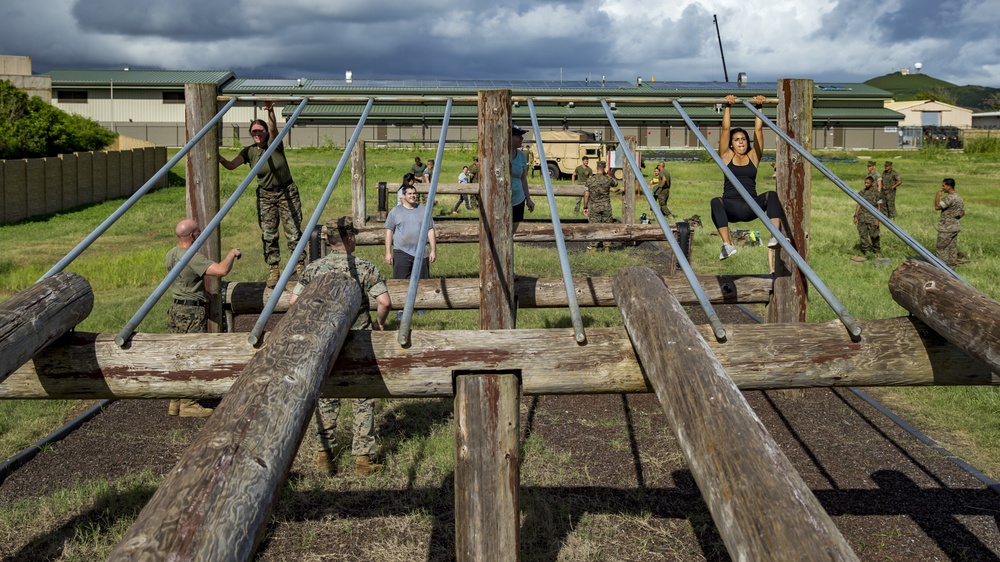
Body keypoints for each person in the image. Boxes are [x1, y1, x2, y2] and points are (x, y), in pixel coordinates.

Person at [289, 216, 390, 476]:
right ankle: (363, 461)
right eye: (353, 235)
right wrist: (380, 323)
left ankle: (324, 456)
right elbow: (385, 302)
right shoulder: (365, 267)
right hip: (358, 340)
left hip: (325, 341)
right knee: (363, 398)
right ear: (347, 239)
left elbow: (293, 302)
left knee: (326, 396)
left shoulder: (313, 269)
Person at [219, 102, 304, 289]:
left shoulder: (275, 143)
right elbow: (233, 165)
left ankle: (300, 267)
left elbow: (274, 128)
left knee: (293, 232)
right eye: (253, 132)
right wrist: (221, 159)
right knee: (268, 234)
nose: (256, 134)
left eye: (259, 131)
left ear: (265, 132)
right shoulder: (249, 152)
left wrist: (271, 112)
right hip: (266, 196)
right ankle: (274, 269)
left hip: (286, 192)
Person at [165, 219, 241, 417]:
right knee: (191, 355)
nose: (200, 234)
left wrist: (198, 292)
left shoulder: (171, 254)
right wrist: (231, 254)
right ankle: (189, 403)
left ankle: (176, 400)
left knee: (177, 355)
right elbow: (221, 270)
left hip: (175, 308)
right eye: (198, 231)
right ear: (192, 235)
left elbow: (184, 279)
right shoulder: (192, 257)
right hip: (191, 313)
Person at [709, 94, 784, 260]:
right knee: (715, 201)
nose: (741, 142)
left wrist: (759, 106)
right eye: (737, 140)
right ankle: (728, 245)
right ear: (731, 144)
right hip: (731, 207)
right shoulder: (726, 156)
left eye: (743, 139)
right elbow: (726, 130)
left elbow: (758, 131)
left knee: (771, 195)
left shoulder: (753, 157)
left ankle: (775, 237)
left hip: (751, 206)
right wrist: (727, 106)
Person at [386, 184, 437, 282]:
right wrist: (388, 252)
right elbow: (389, 231)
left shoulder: (424, 210)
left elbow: (430, 230)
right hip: (401, 252)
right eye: (409, 193)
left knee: (423, 283)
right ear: (404, 195)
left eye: (414, 193)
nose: (412, 195)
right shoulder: (396, 211)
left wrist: (433, 250)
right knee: (400, 283)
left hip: (421, 252)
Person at [583, 161, 620, 251]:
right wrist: (609, 175)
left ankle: (593, 246)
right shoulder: (607, 179)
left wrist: (585, 207)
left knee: (594, 226)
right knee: (607, 226)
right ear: (604, 169)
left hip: (595, 206)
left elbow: (586, 194)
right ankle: (607, 246)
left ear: (596, 168)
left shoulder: (590, 180)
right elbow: (616, 183)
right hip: (606, 206)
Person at [935, 178, 966, 267]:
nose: (942, 187)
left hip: (946, 228)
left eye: (944, 185)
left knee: (941, 248)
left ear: (949, 186)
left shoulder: (950, 198)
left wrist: (937, 196)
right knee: (952, 249)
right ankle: (951, 268)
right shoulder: (959, 197)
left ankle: (940, 268)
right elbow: (962, 212)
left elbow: (937, 207)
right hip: (955, 226)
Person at [851, 176, 883, 261]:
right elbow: (859, 204)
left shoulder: (877, 193)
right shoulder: (862, 192)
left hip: (872, 218)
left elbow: (879, 207)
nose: (866, 184)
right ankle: (867, 252)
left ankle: (877, 251)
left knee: (874, 235)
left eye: (868, 183)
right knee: (863, 235)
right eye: (865, 183)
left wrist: (877, 219)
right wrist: (856, 216)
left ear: (872, 183)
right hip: (862, 217)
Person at [511, 124, 535, 222]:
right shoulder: (498, 155)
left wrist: (528, 199)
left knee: (511, 233)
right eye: (518, 135)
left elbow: (523, 178)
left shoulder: (521, 155)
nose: (522, 138)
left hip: (518, 201)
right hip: (500, 202)